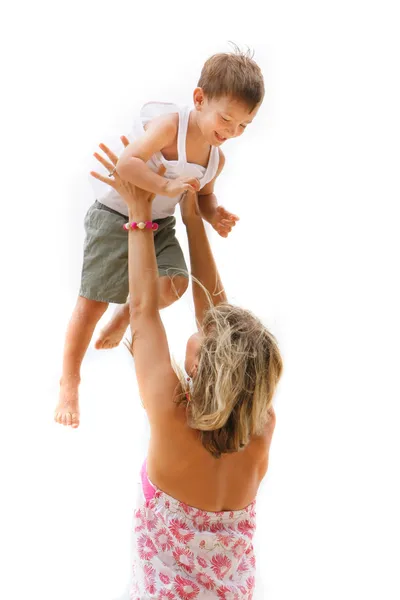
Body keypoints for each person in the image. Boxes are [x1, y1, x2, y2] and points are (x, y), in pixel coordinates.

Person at [90, 142, 282, 599]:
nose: (202, 325)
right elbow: (216, 322)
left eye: (205, 336)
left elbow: (142, 310)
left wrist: (139, 212)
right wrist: (193, 221)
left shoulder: (172, 417)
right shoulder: (260, 425)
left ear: (202, 368)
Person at [54, 48, 265, 429]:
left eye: (243, 126)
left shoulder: (215, 158)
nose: (231, 132)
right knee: (90, 305)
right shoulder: (171, 126)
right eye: (226, 119)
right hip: (115, 214)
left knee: (177, 283)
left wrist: (213, 212)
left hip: (160, 223)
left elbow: (202, 195)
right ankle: (70, 379)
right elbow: (127, 163)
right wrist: (164, 184)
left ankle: (126, 315)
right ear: (199, 99)